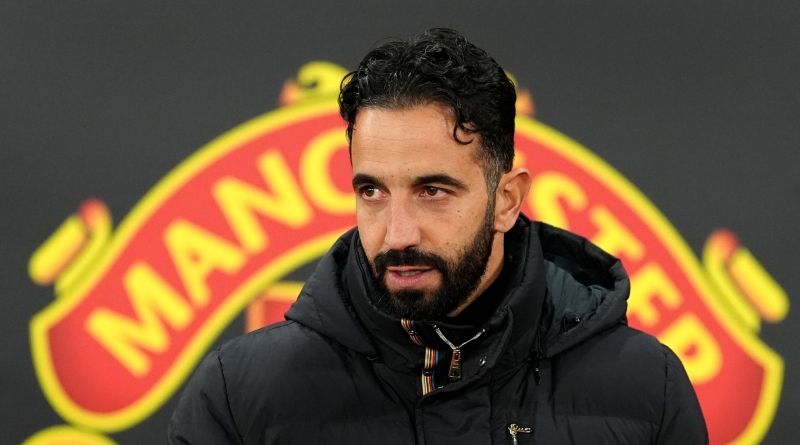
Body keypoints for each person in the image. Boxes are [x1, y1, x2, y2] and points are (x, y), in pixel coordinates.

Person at [168, 28, 708, 444]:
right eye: (372, 191)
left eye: (433, 191)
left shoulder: (647, 387)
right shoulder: (238, 394)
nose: (398, 234)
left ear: (507, 200)